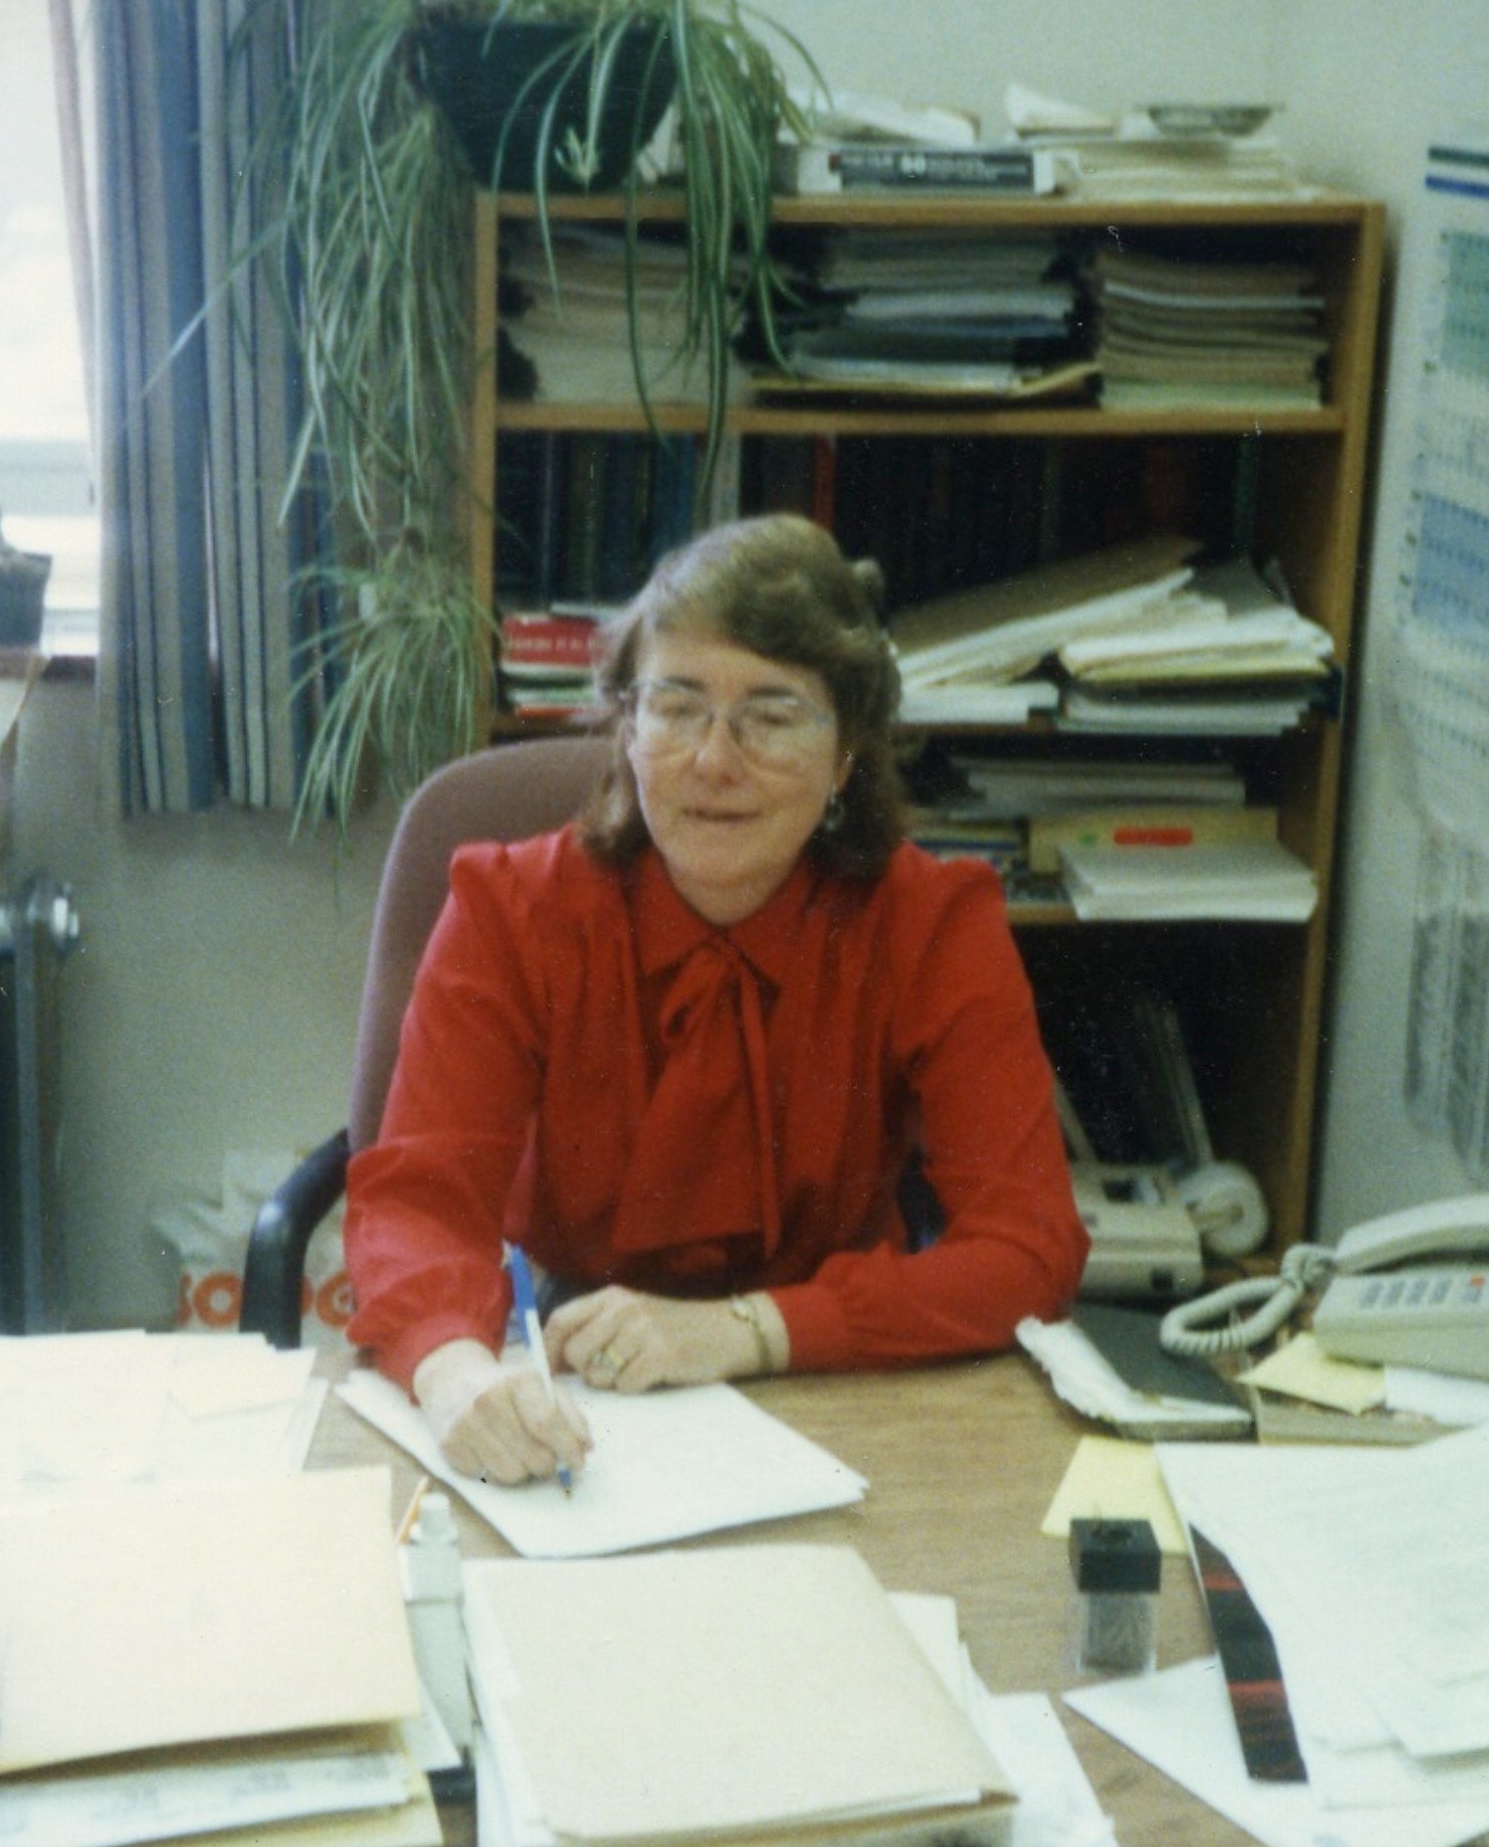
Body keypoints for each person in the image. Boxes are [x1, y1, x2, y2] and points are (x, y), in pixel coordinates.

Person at [343, 515, 1090, 1486]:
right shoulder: (509, 907)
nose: (713, 760)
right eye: (678, 705)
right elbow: (417, 1202)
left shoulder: (931, 920)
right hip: (579, 1374)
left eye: (772, 715)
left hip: (850, 1369)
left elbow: (1030, 1246)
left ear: (848, 756)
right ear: (628, 722)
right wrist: (452, 1370)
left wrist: (748, 1330)